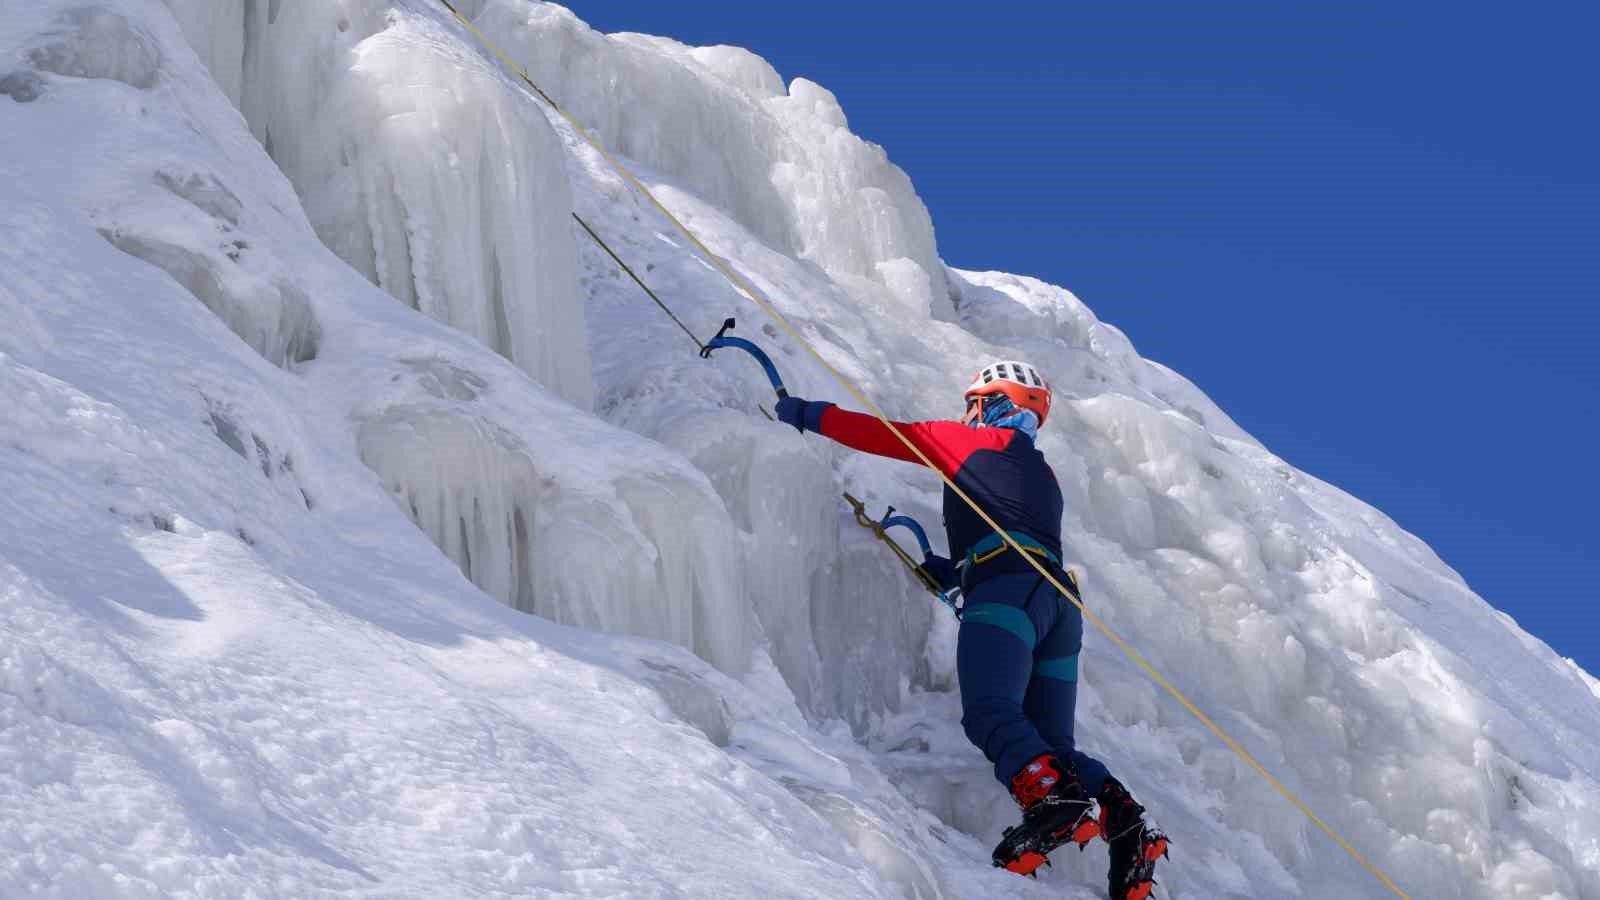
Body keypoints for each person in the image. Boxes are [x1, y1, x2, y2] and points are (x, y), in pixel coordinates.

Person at [776, 361, 1168, 900]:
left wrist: (803, 413)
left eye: (973, 404)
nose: (966, 413)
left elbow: (888, 435)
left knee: (990, 711)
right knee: (1051, 741)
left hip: (1007, 590)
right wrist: (955, 570)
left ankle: (1054, 804)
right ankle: (1127, 826)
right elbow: (1011, 527)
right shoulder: (1044, 475)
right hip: (1057, 605)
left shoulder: (969, 441)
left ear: (991, 402)